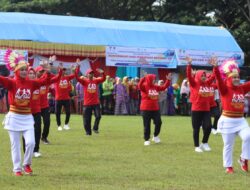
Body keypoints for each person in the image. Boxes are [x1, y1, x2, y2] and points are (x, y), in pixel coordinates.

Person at [0, 49, 50, 176]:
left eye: (25, 69)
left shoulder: (31, 83)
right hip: (14, 117)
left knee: (31, 142)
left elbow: (44, 81)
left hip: (27, 117)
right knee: (15, 145)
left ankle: (27, 164)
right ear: (16, 70)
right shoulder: (11, 82)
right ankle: (17, 169)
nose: (23, 72)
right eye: (21, 69)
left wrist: (47, 70)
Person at [209, 57, 250, 174]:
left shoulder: (242, 88)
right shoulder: (224, 89)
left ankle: (243, 159)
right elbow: (218, 79)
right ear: (229, 78)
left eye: (238, 77)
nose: (237, 79)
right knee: (228, 145)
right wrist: (216, 67)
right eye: (234, 77)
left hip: (241, 120)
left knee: (248, 136)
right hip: (227, 120)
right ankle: (229, 167)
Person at [186, 57, 214, 153]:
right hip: (196, 109)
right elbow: (189, 76)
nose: (204, 77)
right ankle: (197, 146)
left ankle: (204, 142)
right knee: (196, 128)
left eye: (205, 75)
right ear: (198, 76)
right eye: (202, 75)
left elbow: (214, 76)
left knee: (209, 126)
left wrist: (215, 66)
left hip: (206, 109)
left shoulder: (207, 83)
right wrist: (189, 65)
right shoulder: (194, 83)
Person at [138, 73, 172, 146]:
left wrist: (168, 80)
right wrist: (143, 78)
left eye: (154, 79)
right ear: (149, 79)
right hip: (145, 109)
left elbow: (164, 87)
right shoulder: (144, 86)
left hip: (155, 109)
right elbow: (139, 86)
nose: (154, 80)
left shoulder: (155, 87)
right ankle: (146, 139)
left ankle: (155, 136)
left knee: (159, 122)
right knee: (147, 125)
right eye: (153, 79)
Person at [75, 63, 105, 135]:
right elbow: (77, 78)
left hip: (96, 103)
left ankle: (95, 128)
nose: (91, 75)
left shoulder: (96, 81)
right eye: (90, 73)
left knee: (98, 116)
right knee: (87, 119)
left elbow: (103, 79)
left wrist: (102, 73)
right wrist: (77, 68)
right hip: (87, 103)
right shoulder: (84, 81)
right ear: (87, 75)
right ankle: (88, 132)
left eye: (92, 73)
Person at [54, 65, 75, 131]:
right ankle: (59, 125)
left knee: (68, 112)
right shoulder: (56, 77)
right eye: (62, 70)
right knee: (57, 113)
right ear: (59, 70)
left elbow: (74, 75)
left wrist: (74, 69)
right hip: (58, 98)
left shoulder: (67, 77)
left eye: (64, 70)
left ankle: (66, 124)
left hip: (66, 98)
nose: (63, 71)